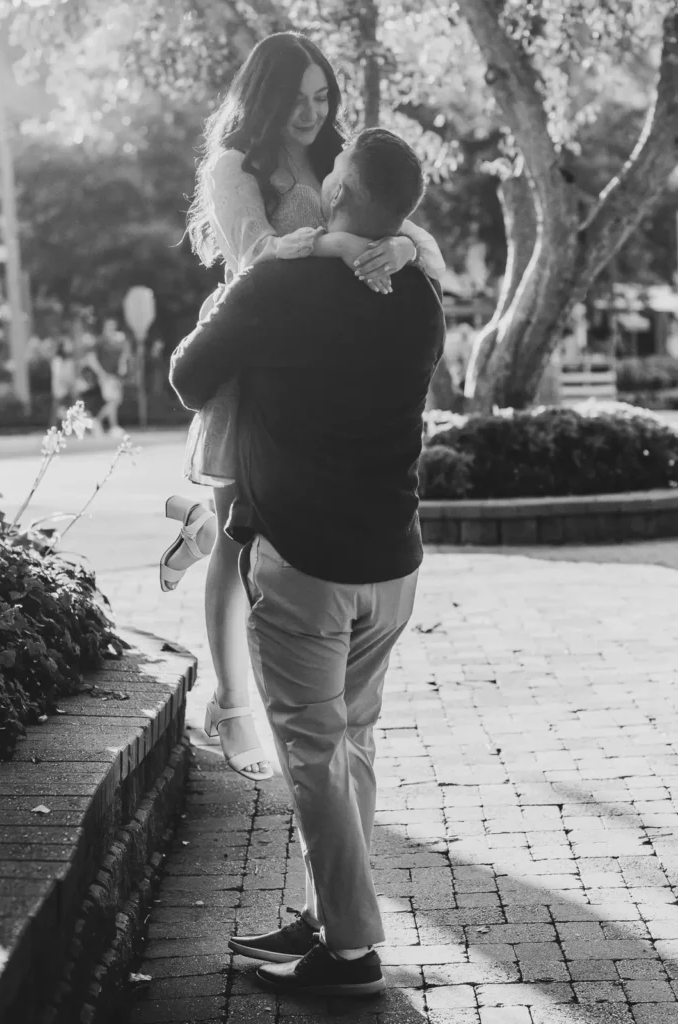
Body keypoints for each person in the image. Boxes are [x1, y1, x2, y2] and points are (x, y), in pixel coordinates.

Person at [170, 127, 445, 997]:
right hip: (392, 564)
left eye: (334, 169)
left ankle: (351, 953)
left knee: (315, 758)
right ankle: (327, 914)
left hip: (305, 563)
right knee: (349, 744)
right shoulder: (418, 292)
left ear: (337, 190)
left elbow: (187, 376)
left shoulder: (280, 282)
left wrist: (242, 285)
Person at [160, 31, 446, 785]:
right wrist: (337, 246)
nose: (312, 114)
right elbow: (255, 253)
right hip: (251, 357)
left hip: (318, 365)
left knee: (255, 527)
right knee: (237, 535)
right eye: (297, 99)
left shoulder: (337, 158)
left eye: (323, 99)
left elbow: (403, 221)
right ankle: (230, 701)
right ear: (265, 97)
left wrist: (402, 249)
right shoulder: (233, 166)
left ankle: (192, 526)